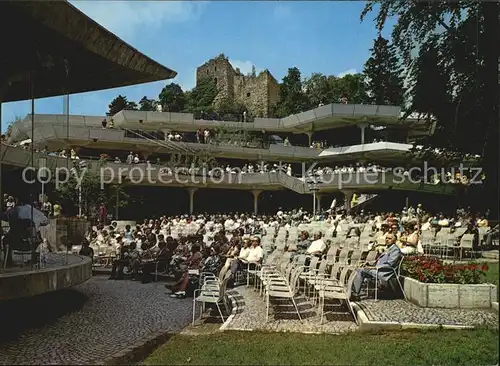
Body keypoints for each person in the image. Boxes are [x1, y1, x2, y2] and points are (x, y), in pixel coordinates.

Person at [351, 234, 402, 300]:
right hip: (379, 269)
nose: (387, 240)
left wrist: (374, 268)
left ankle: (355, 293)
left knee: (361, 270)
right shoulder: (388, 248)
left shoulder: (395, 250)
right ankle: (354, 293)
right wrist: (369, 263)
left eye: (389, 238)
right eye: (386, 238)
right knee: (359, 269)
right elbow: (379, 261)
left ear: (394, 240)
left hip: (386, 271)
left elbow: (390, 264)